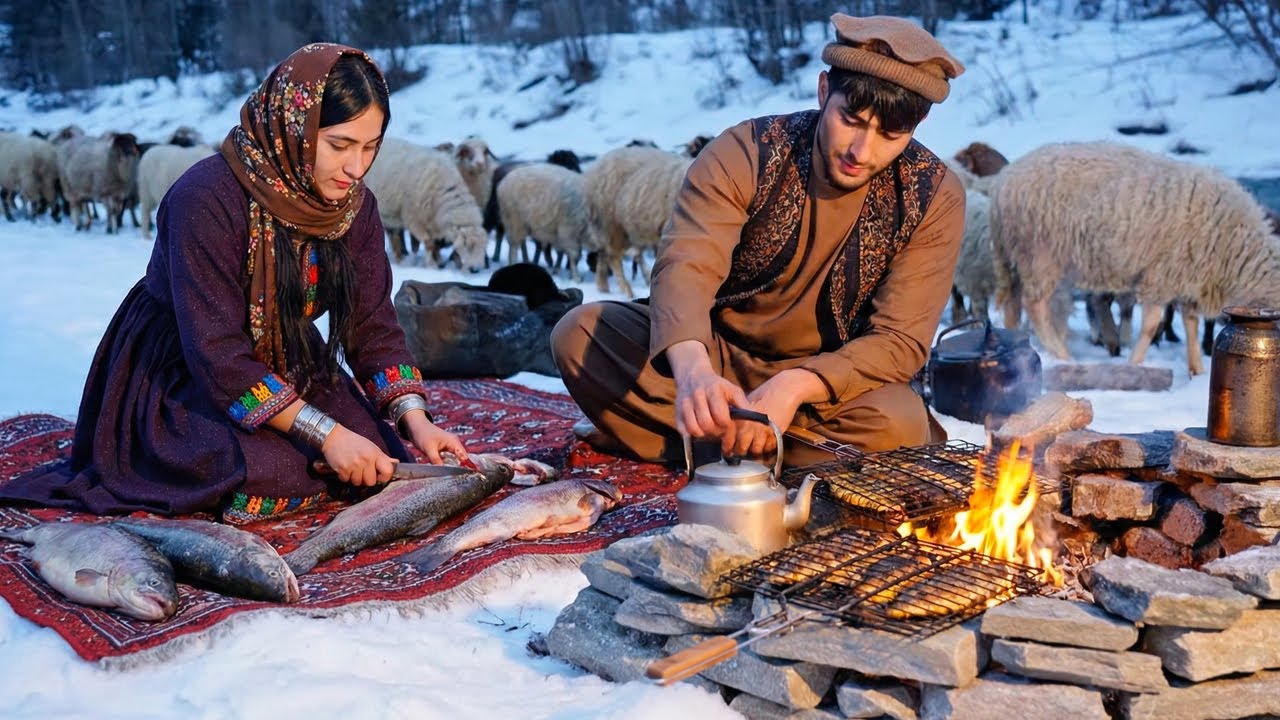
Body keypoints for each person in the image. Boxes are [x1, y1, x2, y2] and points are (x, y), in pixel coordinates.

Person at [0, 44, 467, 523]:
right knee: (275, 467)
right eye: (340, 145)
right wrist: (326, 434)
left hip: (287, 357)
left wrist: (417, 422)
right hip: (183, 361)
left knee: (379, 452)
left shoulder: (353, 209)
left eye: (370, 148)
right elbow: (216, 352)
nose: (356, 168)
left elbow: (371, 323)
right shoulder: (205, 200)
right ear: (296, 129)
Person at [552, 15, 967, 468]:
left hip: (823, 390)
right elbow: (687, 264)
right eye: (850, 120)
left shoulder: (934, 196)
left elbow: (898, 340)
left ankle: (697, 444)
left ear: (918, 123)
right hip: (715, 358)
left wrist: (793, 386)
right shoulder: (747, 150)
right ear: (824, 91)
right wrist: (693, 373)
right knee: (579, 335)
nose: (860, 151)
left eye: (889, 135)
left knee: (900, 424)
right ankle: (762, 446)